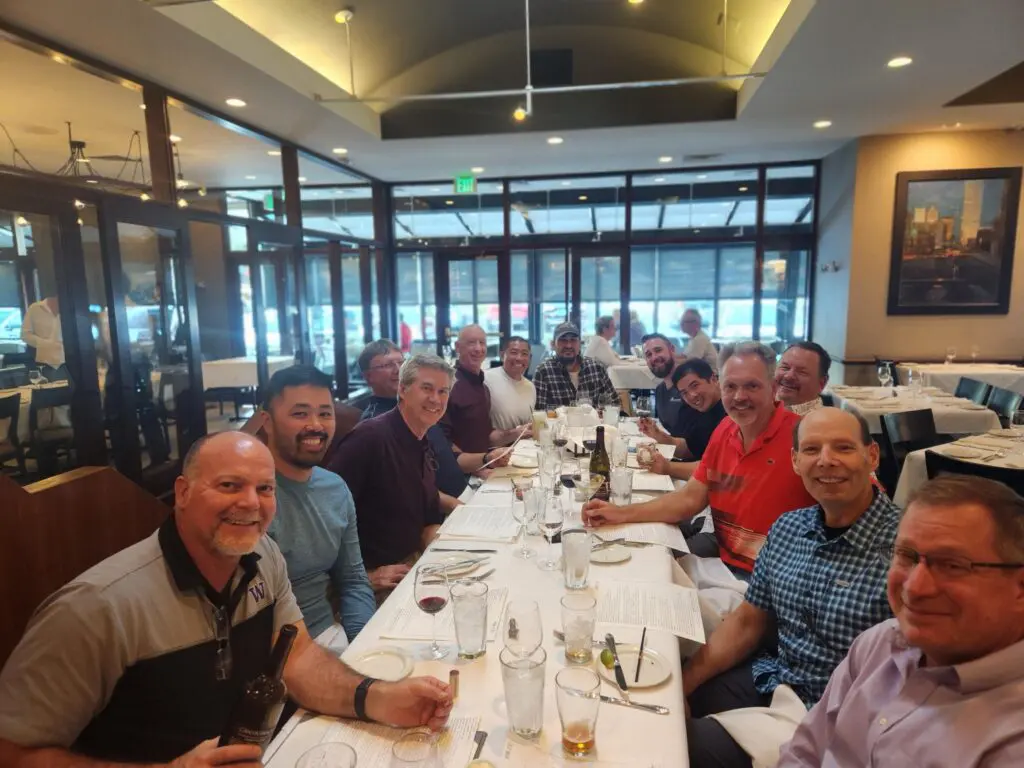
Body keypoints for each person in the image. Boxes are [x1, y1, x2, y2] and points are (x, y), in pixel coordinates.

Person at [0, 432, 453, 766]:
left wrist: (379, 698)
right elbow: (13, 751)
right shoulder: (97, 607)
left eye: (265, 488)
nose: (251, 503)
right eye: (229, 486)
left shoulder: (263, 555)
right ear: (182, 493)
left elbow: (298, 662)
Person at [686, 408, 899, 768]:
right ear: (796, 461)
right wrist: (684, 684)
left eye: (843, 448)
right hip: (778, 677)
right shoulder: (788, 528)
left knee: (677, 746)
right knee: (663, 698)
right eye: (812, 450)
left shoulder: (906, 550)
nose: (826, 461)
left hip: (843, 720)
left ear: (872, 456)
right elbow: (748, 621)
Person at [777, 475, 1024, 767]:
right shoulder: (879, 643)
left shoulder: (1011, 742)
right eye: (906, 556)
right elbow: (804, 752)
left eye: (951, 565)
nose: (915, 588)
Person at [584, 341, 815, 570]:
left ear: (773, 387)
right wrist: (618, 513)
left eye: (752, 386)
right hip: (722, 556)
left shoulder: (805, 437)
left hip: (770, 577)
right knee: (633, 557)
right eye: (731, 387)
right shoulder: (726, 428)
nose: (739, 397)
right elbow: (689, 499)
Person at [261, 365, 376, 651]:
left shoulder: (335, 488)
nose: (315, 425)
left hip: (331, 638)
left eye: (325, 413)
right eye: (300, 414)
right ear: (267, 422)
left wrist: (363, 648)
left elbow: (353, 580)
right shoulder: (252, 498)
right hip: (275, 653)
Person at [325, 355, 450, 598]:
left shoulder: (421, 437)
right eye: (427, 388)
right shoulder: (369, 438)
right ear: (402, 390)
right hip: (380, 580)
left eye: (443, 391)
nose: (436, 399)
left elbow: (417, 502)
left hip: (414, 562)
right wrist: (364, 577)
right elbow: (325, 517)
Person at [357, 339, 468, 502]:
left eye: (401, 363)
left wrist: (486, 460)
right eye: (387, 365)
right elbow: (399, 489)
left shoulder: (420, 408)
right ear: (368, 377)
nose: (398, 370)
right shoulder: (374, 427)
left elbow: (445, 455)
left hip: (465, 491)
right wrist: (454, 506)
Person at [640, 359, 727, 481]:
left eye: (695, 385)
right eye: (684, 393)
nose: (692, 395)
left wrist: (668, 467)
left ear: (713, 379)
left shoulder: (731, 413)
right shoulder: (699, 409)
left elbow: (719, 470)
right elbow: (689, 448)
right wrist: (658, 435)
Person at [533, 321, 618, 411]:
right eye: (563, 340)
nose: (568, 345)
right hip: (558, 424)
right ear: (553, 344)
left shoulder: (596, 368)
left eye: (573, 340)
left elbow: (614, 403)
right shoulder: (543, 372)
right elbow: (539, 413)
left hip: (593, 424)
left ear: (580, 344)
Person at [484, 336, 536, 438]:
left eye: (524, 354)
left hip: (523, 447)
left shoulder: (530, 387)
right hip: (495, 449)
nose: (519, 358)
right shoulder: (486, 378)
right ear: (502, 355)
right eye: (514, 352)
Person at [637, 333, 685, 433]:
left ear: (672, 349)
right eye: (648, 355)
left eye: (658, 350)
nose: (654, 357)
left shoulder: (688, 387)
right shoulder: (660, 390)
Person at [775, 341, 830, 416]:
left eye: (801, 372)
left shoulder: (824, 423)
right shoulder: (760, 406)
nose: (788, 376)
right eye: (785, 368)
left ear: (822, 383)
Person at [21, 294, 67, 382]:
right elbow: (25, 335)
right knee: (47, 393)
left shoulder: (70, 309)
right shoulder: (35, 309)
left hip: (68, 363)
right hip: (43, 365)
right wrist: (47, 344)